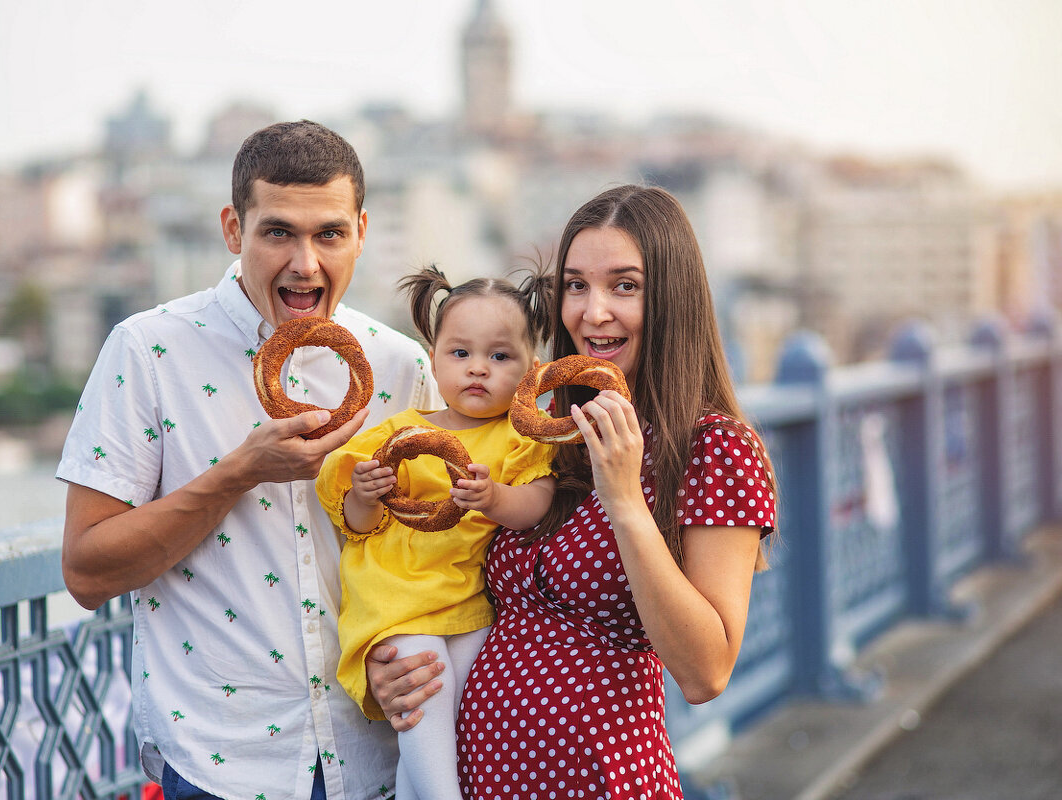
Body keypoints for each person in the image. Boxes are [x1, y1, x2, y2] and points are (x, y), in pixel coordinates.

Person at [56, 121, 440, 800]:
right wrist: (240, 471)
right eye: (278, 232)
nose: (305, 263)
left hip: (378, 756)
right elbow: (87, 571)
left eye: (329, 234)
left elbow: (441, 551)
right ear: (234, 230)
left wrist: (413, 649)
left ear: (361, 232)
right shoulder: (148, 352)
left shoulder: (398, 365)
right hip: (220, 762)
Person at [366, 185, 778, 799]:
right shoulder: (548, 432)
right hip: (483, 781)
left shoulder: (715, 447)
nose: (593, 311)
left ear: (671, 298)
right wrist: (387, 667)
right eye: (576, 286)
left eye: (625, 286)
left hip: (597, 780)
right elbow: (444, 583)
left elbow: (707, 671)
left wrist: (625, 501)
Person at [315, 266, 557, 800]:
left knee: (442, 730)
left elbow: (535, 506)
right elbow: (356, 525)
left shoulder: (521, 439)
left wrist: (495, 498)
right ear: (433, 357)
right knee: (426, 700)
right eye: (460, 353)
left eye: (499, 356)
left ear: (530, 370)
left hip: (468, 607)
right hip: (397, 604)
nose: (478, 369)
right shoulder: (399, 435)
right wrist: (363, 493)